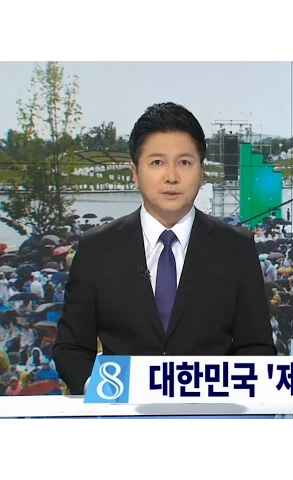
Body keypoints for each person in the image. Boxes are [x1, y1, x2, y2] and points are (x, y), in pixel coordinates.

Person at [52, 102, 276, 395]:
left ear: (202, 172)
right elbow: (71, 348)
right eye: (157, 162)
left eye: (184, 162)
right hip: (123, 408)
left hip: (211, 408)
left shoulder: (235, 247)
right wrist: (103, 391)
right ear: (135, 172)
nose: (171, 176)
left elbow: (256, 347)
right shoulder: (97, 248)